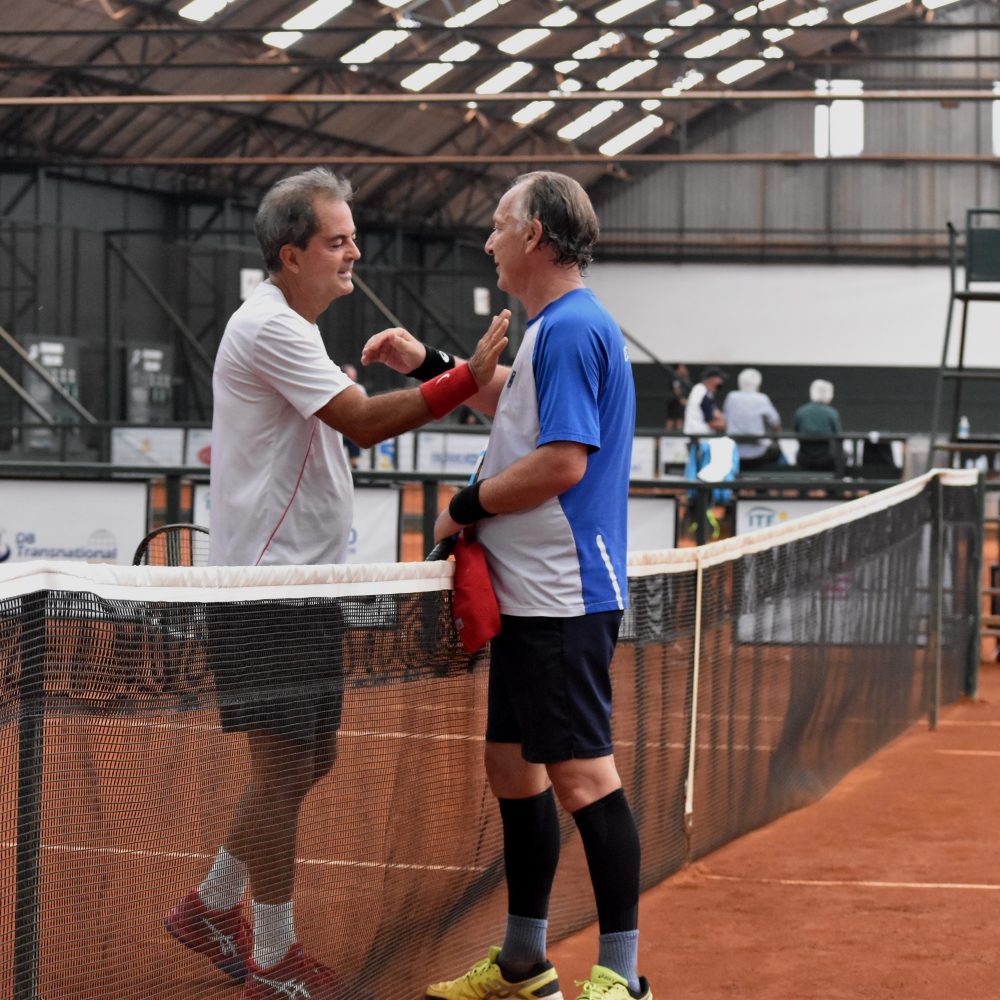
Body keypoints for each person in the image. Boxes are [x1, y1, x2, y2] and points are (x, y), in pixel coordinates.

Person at [163, 166, 509, 1000]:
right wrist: (462, 378)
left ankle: (210, 906)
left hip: (301, 585)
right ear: (291, 254)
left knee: (310, 760)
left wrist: (440, 372)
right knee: (285, 769)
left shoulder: (293, 326)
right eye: (337, 240)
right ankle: (274, 957)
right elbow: (360, 422)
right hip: (267, 591)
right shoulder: (270, 327)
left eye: (352, 237)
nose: (354, 251)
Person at [363, 171, 650, 1000]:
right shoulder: (556, 327)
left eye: (498, 225)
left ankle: (622, 977)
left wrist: (462, 507)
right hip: (532, 596)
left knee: (583, 778)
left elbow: (561, 463)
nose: (488, 241)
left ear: (535, 237)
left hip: (561, 595)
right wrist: (431, 363)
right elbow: (518, 408)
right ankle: (525, 964)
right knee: (512, 769)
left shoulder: (569, 330)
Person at [722, 367, 783, 469]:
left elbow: (724, 421)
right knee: (777, 450)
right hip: (758, 454)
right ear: (758, 383)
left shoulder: (731, 397)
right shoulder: (762, 398)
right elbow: (775, 423)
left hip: (734, 453)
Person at [794, 379, 844, 475]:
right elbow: (838, 436)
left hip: (804, 458)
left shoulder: (801, 411)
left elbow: (796, 432)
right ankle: (837, 484)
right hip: (827, 458)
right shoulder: (832, 413)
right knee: (843, 455)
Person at [683, 365, 726, 436]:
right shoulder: (702, 393)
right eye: (720, 379)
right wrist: (729, 425)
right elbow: (712, 423)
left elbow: (716, 414)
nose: (721, 382)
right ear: (713, 379)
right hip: (699, 438)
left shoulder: (702, 390)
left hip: (697, 436)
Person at [341, 362, 365, 467]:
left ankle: (354, 472)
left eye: (354, 375)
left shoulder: (360, 388)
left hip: (353, 429)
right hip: (338, 428)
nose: (353, 378)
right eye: (351, 375)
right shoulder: (337, 388)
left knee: (354, 459)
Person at [665, 362, 691, 430]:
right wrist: (681, 399)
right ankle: (667, 433)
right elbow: (676, 389)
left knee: (679, 419)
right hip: (675, 401)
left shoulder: (683, 377)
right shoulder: (675, 377)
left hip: (679, 401)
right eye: (682, 367)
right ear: (678, 368)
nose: (684, 369)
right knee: (673, 419)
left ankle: (678, 433)